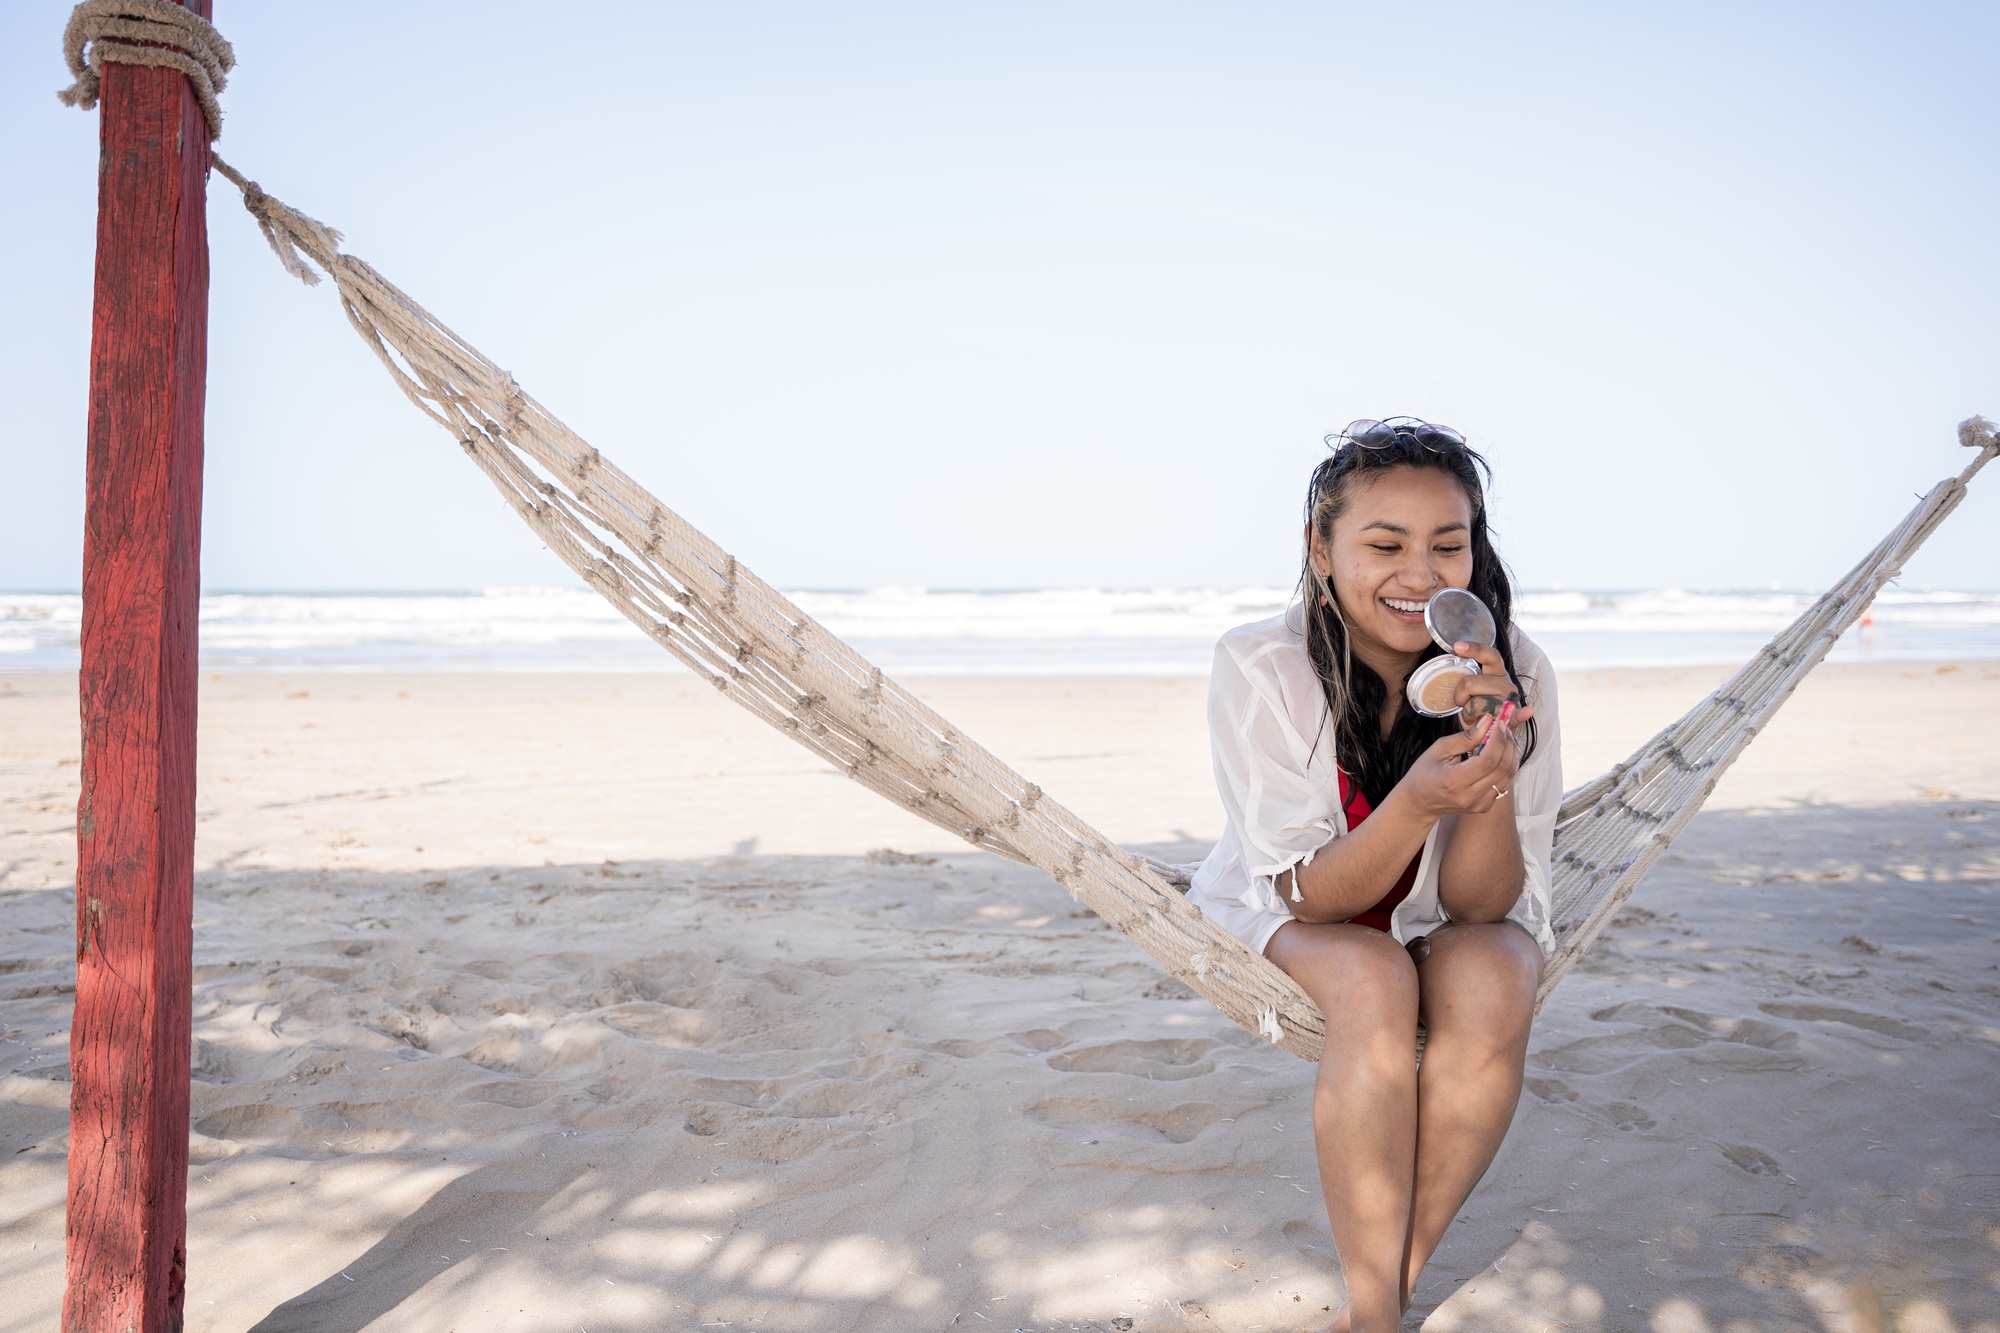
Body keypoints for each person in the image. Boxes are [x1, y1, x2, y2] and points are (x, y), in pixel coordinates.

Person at [1187, 417, 1559, 1333]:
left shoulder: (1517, 669)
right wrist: (1420, 802)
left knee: (1498, 970)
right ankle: (1378, 1311)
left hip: (1436, 911)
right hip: (1295, 901)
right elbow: (1311, 891)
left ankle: (1379, 1303)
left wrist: (1490, 761)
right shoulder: (1262, 665)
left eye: (1449, 544)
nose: (1421, 574)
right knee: (1373, 973)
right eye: (1384, 544)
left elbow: (1479, 903)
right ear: (1321, 549)